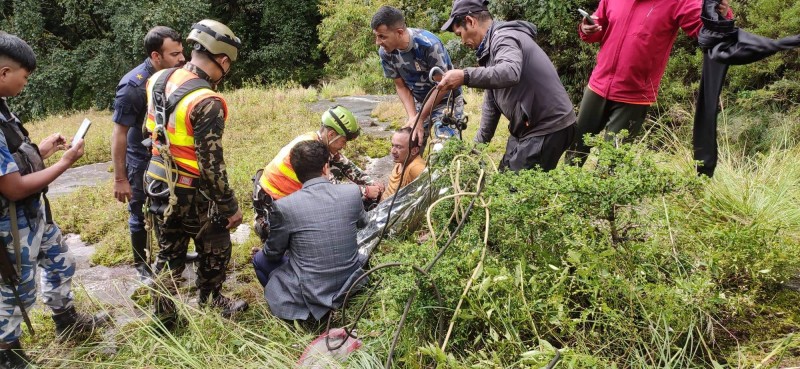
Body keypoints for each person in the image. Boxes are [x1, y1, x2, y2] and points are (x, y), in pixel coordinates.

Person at [0, 32, 107, 368]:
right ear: (4, 72)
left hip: (32, 214)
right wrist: (65, 163)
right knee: (16, 293)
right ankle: (8, 354)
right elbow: (13, 187)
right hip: (10, 224)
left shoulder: (3, 108)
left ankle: (67, 319)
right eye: (24, 76)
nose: (26, 83)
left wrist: (42, 150)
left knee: (61, 261)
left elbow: (13, 160)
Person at [143, 19, 247, 328]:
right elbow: (211, 165)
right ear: (223, 60)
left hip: (157, 182)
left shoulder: (159, 78)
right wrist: (230, 207)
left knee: (168, 252)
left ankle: (163, 318)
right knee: (216, 245)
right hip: (192, 192)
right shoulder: (207, 101)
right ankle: (211, 300)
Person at [566, 0, 731, 166]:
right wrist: (586, 28)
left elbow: (706, 31)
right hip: (598, 85)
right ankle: (561, 191)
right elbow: (598, 26)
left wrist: (721, 16)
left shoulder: (679, 2)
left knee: (610, 164)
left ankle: (602, 192)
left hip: (634, 96)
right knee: (574, 150)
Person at [437, 0, 577, 172]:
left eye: (459, 34)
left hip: (547, 126)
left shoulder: (503, 37)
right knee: (503, 180)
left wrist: (465, 75)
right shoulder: (489, 50)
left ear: (471, 21)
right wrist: (475, 150)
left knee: (515, 193)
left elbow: (510, 71)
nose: (461, 41)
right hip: (527, 130)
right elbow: (491, 105)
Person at [111, 26, 193, 284]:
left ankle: (170, 253)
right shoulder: (133, 87)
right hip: (141, 160)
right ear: (156, 56)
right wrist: (120, 178)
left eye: (182, 52)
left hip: (168, 156)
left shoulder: (175, 77)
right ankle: (142, 265)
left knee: (167, 207)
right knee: (140, 213)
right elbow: (119, 134)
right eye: (175, 54)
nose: (182, 59)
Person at [253, 140, 367, 322]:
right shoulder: (352, 192)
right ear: (325, 167)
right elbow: (362, 224)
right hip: (351, 282)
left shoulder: (284, 206)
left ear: (297, 173)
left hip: (312, 293)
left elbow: (273, 254)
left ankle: (298, 313)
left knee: (260, 259)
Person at [252, 106, 383, 243]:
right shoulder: (311, 151)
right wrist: (366, 191)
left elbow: (346, 165)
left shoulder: (317, 140)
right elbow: (333, 191)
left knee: (336, 172)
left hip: (280, 195)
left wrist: (370, 182)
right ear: (331, 134)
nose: (344, 146)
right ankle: (268, 229)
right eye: (344, 141)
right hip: (272, 203)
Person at [371, 5, 465, 146]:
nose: (378, 42)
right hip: (419, 102)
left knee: (444, 148)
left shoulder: (428, 45)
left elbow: (442, 86)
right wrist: (413, 117)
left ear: (399, 32)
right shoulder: (385, 52)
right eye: (376, 36)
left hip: (446, 99)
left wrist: (420, 118)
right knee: (409, 144)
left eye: (382, 36)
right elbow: (400, 86)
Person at [381, 127, 426, 201]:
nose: (393, 151)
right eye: (392, 145)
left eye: (399, 147)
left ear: (414, 150)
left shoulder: (416, 168)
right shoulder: (401, 161)